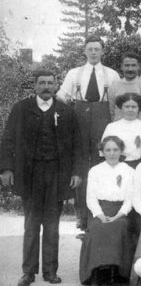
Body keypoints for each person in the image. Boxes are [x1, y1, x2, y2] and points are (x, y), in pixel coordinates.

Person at [0, 70, 84, 286]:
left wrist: (76, 172)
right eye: (42, 83)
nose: (46, 86)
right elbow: (7, 140)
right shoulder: (21, 109)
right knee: (31, 224)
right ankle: (28, 272)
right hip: (30, 174)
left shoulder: (66, 111)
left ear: (56, 85)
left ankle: (50, 271)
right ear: (35, 86)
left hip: (57, 174)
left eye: (50, 82)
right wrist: (7, 169)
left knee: (52, 225)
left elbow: (77, 145)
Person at [56, 35, 120, 231]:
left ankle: (101, 213)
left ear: (102, 51)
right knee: (81, 168)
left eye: (97, 49)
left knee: (103, 167)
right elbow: (61, 99)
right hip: (80, 124)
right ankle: (81, 215)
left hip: (103, 125)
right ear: (84, 51)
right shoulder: (74, 73)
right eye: (90, 49)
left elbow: (117, 104)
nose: (93, 52)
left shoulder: (112, 75)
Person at [79, 136, 134, 285]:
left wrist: (119, 215)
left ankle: (116, 273)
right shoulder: (95, 170)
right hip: (100, 209)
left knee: (119, 226)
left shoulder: (128, 171)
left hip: (120, 211)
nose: (112, 153)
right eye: (108, 150)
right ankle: (97, 272)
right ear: (102, 152)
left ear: (121, 151)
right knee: (98, 227)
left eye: (115, 149)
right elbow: (90, 197)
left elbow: (130, 198)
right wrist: (100, 215)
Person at [102, 93, 141, 168]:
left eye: (134, 107)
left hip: (140, 165)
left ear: (139, 108)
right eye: (127, 106)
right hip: (117, 165)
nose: (130, 110)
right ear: (121, 108)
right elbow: (104, 151)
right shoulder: (111, 127)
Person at [108, 52, 141, 127]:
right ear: (121, 67)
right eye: (127, 65)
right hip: (119, 130)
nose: (130, 69)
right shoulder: (114, 86)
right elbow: (111, 111)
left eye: (133, 65)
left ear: (138, 67)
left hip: (140, 130)